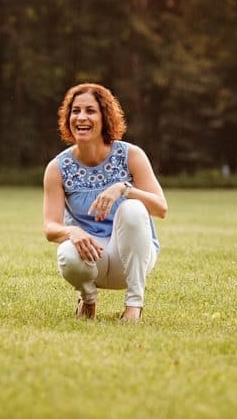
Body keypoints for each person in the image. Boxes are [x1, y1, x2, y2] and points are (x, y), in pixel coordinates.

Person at [43, 83, 168, 321]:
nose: (81, 117)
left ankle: (134, 306)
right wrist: (71, 231)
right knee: (67, 253)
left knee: (132, 208)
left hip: (132, 258)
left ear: (105, 117)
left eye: (90, 111)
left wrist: (123, 189)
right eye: (75, 111)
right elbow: (50, 228)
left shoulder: (131, 155)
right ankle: (88, 299)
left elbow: (161, 208)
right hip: (91, 257)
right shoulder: (57, 168)